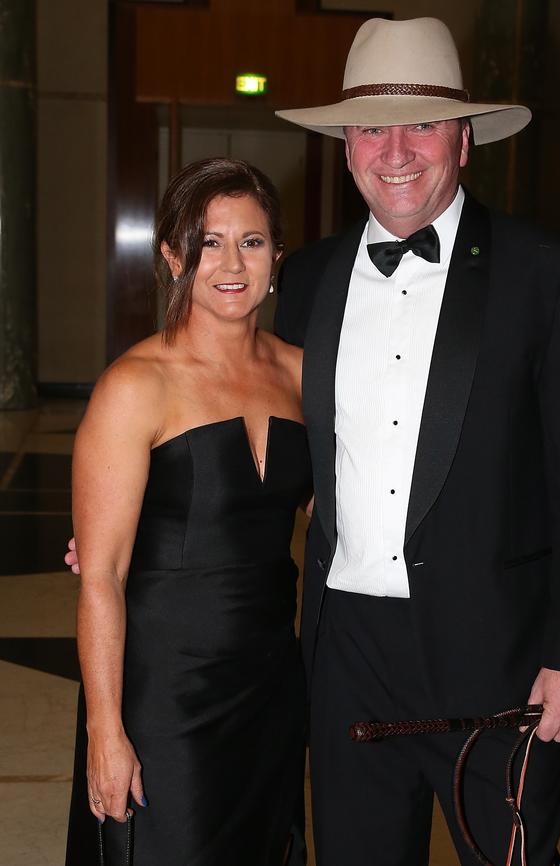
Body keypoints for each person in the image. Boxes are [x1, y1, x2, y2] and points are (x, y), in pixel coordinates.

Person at [271, 17, 560, 866]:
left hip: (499, 665)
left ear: (464, 141)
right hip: (347, 655)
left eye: (421, 124)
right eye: (370, 127)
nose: (395, 149)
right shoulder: (307, 279)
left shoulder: (548, 272)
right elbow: (259, 439)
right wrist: (135, 519)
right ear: (346, 146)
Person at [64, 157, 310, 866]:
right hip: (165, 695)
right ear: (174, 255)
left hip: (268, 684)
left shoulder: (302, 372)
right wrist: (107, 730)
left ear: (277, 255)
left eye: (253, 241)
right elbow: (101, 577)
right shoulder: (135, 385)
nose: (232, 264)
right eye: (209, 242)